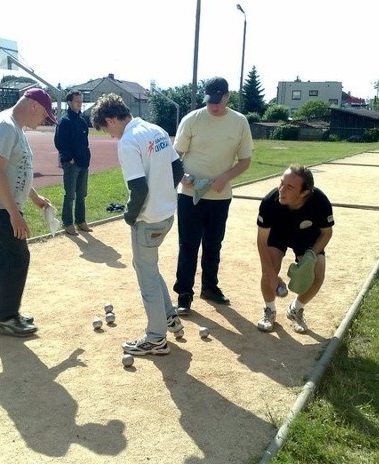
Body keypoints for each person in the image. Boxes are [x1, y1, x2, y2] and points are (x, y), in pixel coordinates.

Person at [91, 93, 184, 356]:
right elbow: (178, 169)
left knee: (146, 277)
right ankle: (169, 317)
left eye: (107, 129)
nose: (110, 136)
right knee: (150, 269)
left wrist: (130, 217)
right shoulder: (156, 129)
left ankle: (156, 338)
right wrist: (165, 195)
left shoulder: (128, 140)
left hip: (148, 220)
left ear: (111, 119)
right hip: (167, 214)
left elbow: (138, 188)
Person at [0, 87, 56, 337]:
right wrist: (14, 214)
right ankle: (6, 318)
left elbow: (15, 170)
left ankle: (5, 312)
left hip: (1, 205)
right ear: (33, 106)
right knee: (16, 258)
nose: (42, 121)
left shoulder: (14, 128)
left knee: (3, 258)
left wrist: (34, 198)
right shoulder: (5, 126)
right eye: (44, 115)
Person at [172, 76, 253, 315]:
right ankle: (184, 294)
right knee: (188, 245)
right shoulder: (193, 119)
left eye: (218, 101)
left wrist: (225, 178)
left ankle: (210, 287)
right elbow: (174, 156)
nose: (214, 105)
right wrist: (182, 176)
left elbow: (245, 161)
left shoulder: (239, 122)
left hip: (220, 196)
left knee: (213, 245)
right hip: (189, 195)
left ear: (228, 96)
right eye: (210, 101)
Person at [256, 165, 334, 334]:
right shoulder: (270, 202)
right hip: (277, 234)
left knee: (318, 273)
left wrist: (310, 255)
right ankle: (269, 310)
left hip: (306, 236)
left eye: (289, 187)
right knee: (269, 269)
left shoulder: (320, 202)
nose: (281, 190)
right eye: (281, 183)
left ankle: (296, 309)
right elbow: (261, 242)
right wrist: (272, 275)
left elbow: (327, 233)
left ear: (305, 192)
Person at [54, 90, 92, 236]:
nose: (80, 104)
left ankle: (81, 221)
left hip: (83, 163)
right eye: (77, 101)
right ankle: (68, 223)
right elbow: (59, 142)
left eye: (81, 101)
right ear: (69, 103)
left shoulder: (82, 121)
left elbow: (85, 141)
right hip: (71, 164)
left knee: (82, 194)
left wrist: (86, 157)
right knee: (70, 195)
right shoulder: (64, 121)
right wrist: (69, 159)